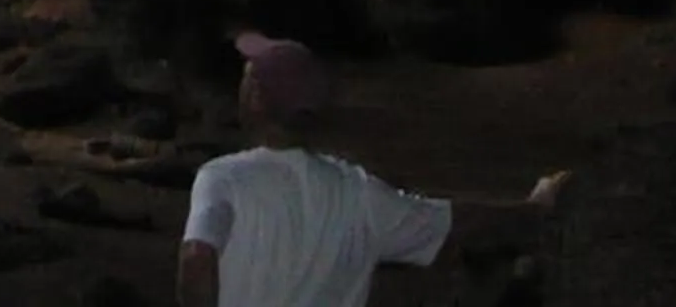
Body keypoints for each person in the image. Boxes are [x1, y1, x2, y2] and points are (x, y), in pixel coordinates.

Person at [177, 31, 565, 307]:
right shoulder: (357, 194)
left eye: (247, 76)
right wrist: (535, 207)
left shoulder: (222, 178)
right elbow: (456, 221)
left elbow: (197, 258)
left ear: (258, 99)